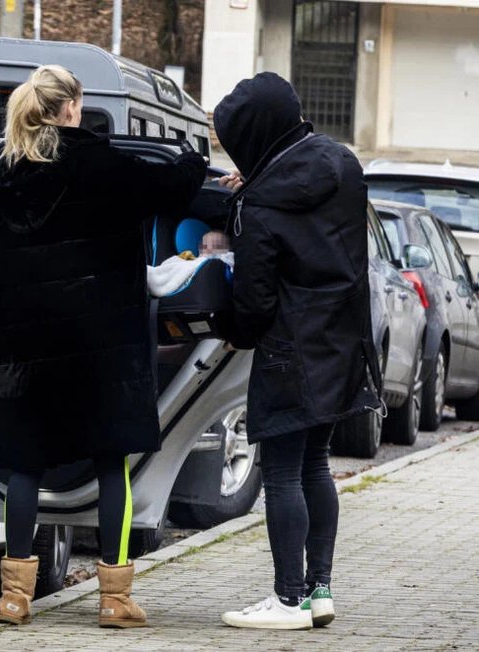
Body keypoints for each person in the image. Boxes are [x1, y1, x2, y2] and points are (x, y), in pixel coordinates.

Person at [0, 64, 206, 629]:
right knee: (111, 465)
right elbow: (173, 187)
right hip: (101, 349)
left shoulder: (1, 176)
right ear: (72, 107)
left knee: (25, 466)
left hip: (26, 348)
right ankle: (114, 597)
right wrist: (193, 157)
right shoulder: (101, 164)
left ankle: (14, 597)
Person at [213, 72, 381, 630]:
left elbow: (254, 300)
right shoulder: (346, 165)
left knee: (281, 472)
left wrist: (228, 326)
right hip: (343, 341)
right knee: (316, 464)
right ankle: (319, 591)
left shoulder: (260, 205)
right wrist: (254, 185)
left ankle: (287, 599)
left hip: (289, 347)